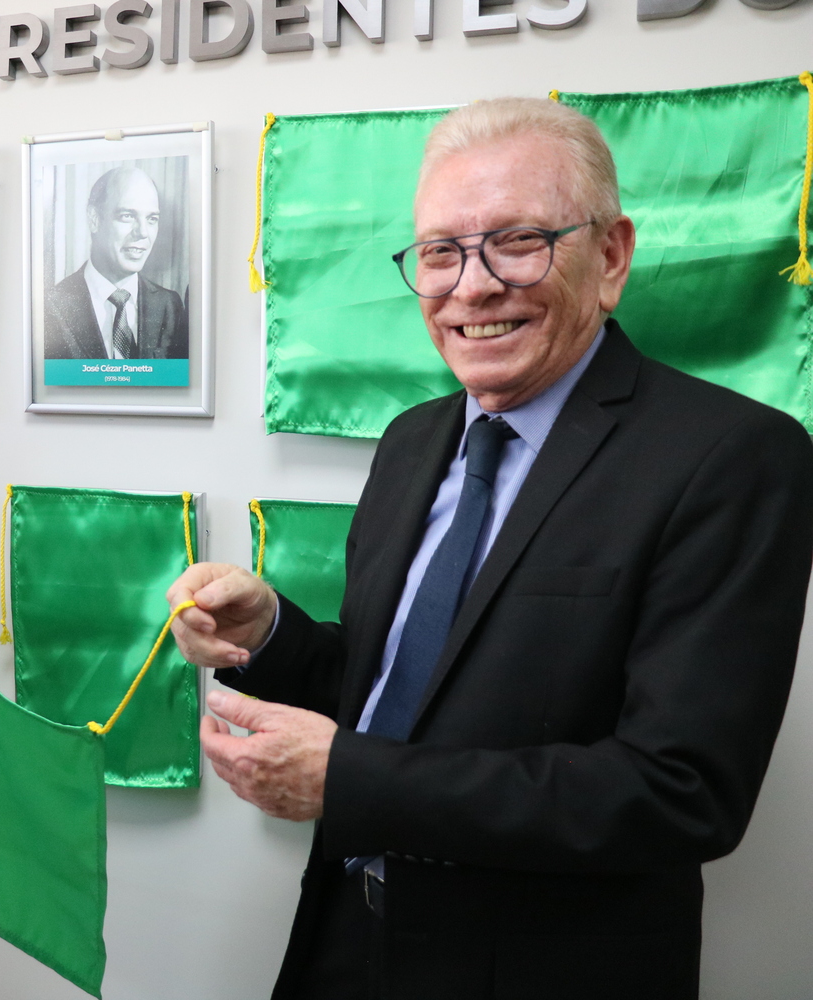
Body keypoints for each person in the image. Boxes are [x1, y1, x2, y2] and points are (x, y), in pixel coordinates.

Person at [167, 98, 813, 999]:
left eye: (517, 241)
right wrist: (272, 635)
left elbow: (679, 791)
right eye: (440, 253)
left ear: (612, 256)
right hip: (343, 944)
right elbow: (403, 691)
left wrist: (349, 780)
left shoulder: (731, 456)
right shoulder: (411, 440)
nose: (472, 287)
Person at [43, 166, 188, 361]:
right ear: (94, 219)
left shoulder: (169, 305)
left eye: (152, 219)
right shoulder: (52, 306)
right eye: (127, 216)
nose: (143, 232)